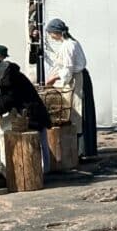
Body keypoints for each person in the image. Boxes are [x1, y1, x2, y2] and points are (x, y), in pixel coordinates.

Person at [0, 46, 51, 172]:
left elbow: (9, 100)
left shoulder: (9, 76)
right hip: (19, 109)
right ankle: (6, 167)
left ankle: (37, 169)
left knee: (38, 139)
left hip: (29, 110)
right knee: (2, 128)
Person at [44, 18, 97, 158]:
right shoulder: (68, 44)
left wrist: (55, 79)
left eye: (50, 33)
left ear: (56, 32)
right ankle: (79, 150)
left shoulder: (69, 45)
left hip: (77, 80)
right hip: (75, 78)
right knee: (74, 112)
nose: (50, 36)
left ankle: (82, 150)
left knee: (78, 113)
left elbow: (68, 68)